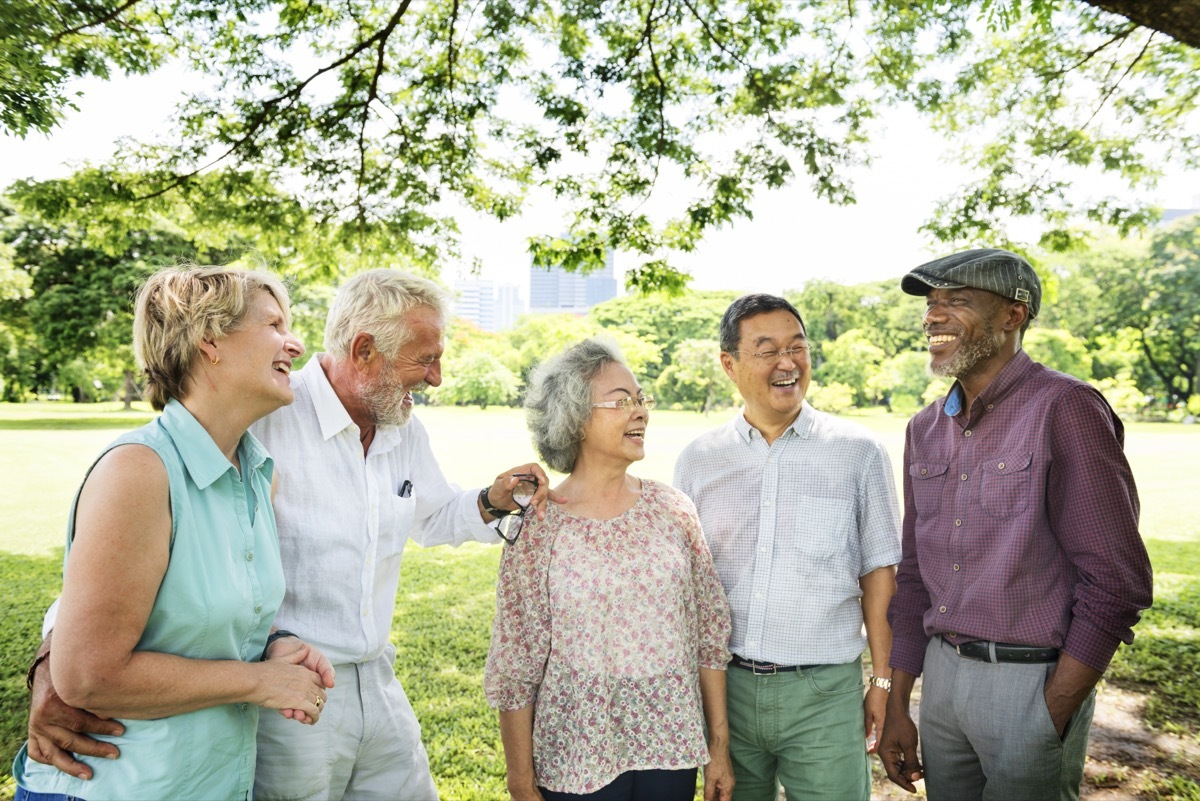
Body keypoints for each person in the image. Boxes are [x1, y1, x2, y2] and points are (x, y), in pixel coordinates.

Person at [26, 268, 557, 801]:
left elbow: (434, 514)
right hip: (282, 694)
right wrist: (57, 661)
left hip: (369, 676)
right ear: (365, 350)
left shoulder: (374, 435)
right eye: (424, 359)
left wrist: (490, 500)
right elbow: (118, 554)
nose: (436, 377)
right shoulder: (258, 415)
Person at [13, 266, 335, 801]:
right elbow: (88, 675)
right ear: (208, 340)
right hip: (110, 788)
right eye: (275, 325)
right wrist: (259, 682)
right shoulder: (139, 470)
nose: (294, 344)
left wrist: (275, 645)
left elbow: (205, 619)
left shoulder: (259, 476)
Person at [877, 248, 1154, 801]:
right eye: (932, 303)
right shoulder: (924, 428)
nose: (933, 316)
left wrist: (1052, 709)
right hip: (942, 681)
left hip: (1030, 684)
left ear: (1014, 314)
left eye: (956, 300)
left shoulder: (1066, 408)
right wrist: (896, 703)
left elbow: (1118, 580)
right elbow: (914, 578)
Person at [674, 293, 901, 801]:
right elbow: (685, 584)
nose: (787, 363)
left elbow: (879, 576)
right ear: (729, 364)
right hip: (725, 690)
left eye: (797, 347)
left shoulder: (858, 452)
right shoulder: (698, 460)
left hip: (824, 692)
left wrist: (882, 682)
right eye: (767, 349)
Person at [485, 338, 734, 801]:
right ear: (575, 418)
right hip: (576, 753)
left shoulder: (673, 509)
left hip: (670, 746)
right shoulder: (540, 524)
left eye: (642, 400)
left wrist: (718, 746)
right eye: (622, 402)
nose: (640, 412)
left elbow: (709, 634)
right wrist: (520, 779)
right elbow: (515, 664)